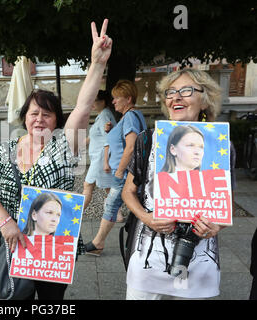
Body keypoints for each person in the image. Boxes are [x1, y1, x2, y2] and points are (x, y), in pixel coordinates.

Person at [0, 18, 113, 300]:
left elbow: (84, 107)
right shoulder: (6, 148)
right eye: (34, 113)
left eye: (47, 114)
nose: (39, 119)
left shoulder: (64, 145)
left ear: (56, 121)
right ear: (24, 117)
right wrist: (4, 221)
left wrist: (97, 64)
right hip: (14, 242)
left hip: (54, 246)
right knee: (16, 300)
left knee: (51, 301)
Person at [122, 68, 235, 299]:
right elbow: (128, 192)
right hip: (148, 262)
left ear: (205, 100)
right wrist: (146, 218)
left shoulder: (223, 147)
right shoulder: (148, 140)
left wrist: (217, 226)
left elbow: (226, 203)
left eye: (186, 90)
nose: (176, 97)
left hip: (199, 265)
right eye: (170, 92)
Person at [84, 79, 146, 256]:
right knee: (132, 205)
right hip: (130, 172)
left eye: (117, 98)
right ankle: (138, 237)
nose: (113, 101)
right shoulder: (132, 116)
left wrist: (119, 170)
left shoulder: (130, 117)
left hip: (125, 173)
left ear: (128, 99)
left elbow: (131, 145)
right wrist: (112, 131)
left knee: (111, 205)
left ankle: (98, 243)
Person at [82, 90, 117, 211]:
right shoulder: (102, 115)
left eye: (94, 101)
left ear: (102, 102)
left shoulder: (104, 116)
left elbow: (108, 139)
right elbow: (92, 137)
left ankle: (76, 215)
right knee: (108, 187)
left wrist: (106, 162)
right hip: (99, 158)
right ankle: (116, 214)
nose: (92, 104)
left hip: (100, 158)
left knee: (88, 185)